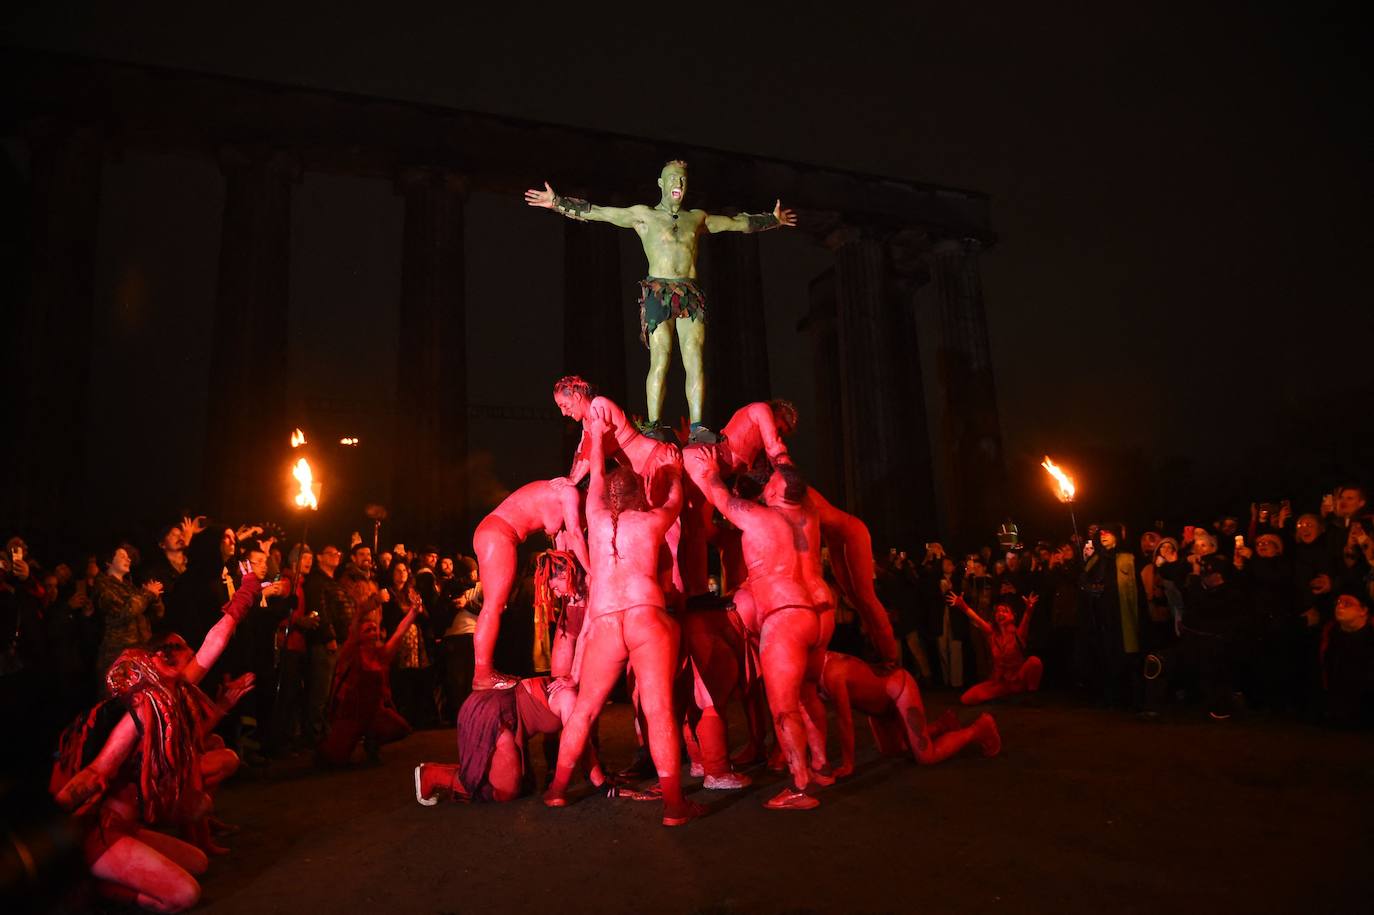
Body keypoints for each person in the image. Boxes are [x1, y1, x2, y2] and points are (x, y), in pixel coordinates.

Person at [527, 162, 796, 441]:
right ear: (661, 183)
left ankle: (698, 427)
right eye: (672, 179)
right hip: (659, 291)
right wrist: (557, 202)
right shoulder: (644, 216)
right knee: (661, 358)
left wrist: (771, 220)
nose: (678, 183)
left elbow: (736, 223)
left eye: (682, 178)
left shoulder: (697, 218)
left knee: (694, 359)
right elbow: (601, 213)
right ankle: (654, 424)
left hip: (689, 291)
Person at [50, 572, 263, 912]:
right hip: (102, 831)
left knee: (197, 863)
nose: (190, 652)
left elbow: (215, 642)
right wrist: (50, 820)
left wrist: (246, 593)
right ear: (159, 658)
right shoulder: (141, 708)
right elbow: (95, 772)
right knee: (184, 895)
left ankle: (113, 872)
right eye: (178, 648)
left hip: (130, 827)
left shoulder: (171, 694)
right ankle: (92, 885)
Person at [542, 405, 703, 826]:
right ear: (636, 495)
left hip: (607, 621)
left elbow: (595, 478)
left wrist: (595, 438)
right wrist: (669, 468)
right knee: (659, 710)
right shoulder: (650, 521)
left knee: (585, 711)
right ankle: (673, 806)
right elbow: (676, 501)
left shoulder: (594, 518)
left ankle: (557, 790)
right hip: (646, 616)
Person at [686, 445, 825, 810]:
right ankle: (820, 765)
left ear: (778, 493)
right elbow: (796, 481)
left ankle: (800, 788)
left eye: (772, 481)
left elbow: (719, 499)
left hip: (784, 619)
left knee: (784, 709)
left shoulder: (763, 518)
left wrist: (711, 471)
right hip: (811, 616)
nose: (766, 484)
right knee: (805, 696)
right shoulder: (807, 517)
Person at [470, 475, 590, 690]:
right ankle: (482, 673)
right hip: (497, 533)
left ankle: (484, 671)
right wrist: (592, 572)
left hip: (496, 533)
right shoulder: (569, 493)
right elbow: (575, 535)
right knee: (493, 606)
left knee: (495, 606)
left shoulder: (562, 493)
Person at [818, 650, 999, 776]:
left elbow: (845, 720)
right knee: (893, 750)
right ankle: (942, 725)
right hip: (877, 708)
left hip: (898, 688)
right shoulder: (807, 676)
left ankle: (979, 728)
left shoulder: (834, 672)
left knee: (926, 756)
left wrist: (848, 764)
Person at [316, 568, 420, 765]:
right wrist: (370, 605)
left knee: (401, 728)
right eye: (368, 629)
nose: (372, 632)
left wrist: (414, 612)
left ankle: (372, 741)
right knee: (331, 759)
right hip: (351, 715)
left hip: (374, 713)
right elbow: (356, 621)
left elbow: (399, 633)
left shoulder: (382, 654)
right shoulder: (350, 651)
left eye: (374, 629)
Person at [946, 592, 1044, 704]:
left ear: (1012, 616)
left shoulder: (1018, 634)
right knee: (967, 699)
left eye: (1005, 611)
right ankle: (1008, 697)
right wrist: (962, 605)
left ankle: (1030, 696)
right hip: (1001, 682)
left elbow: (1026, 620)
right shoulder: (992, 633)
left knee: (1034, 662)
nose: (1000, 613)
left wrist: (1029, 610)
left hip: (1018, 680)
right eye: (998, 611)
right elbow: (977, 619)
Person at [94, 543, 165, 683]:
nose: (128, 559)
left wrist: (155, 599)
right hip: (118, 656)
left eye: (128, 557)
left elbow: (156, 615)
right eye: (122, 556)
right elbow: (125, 613)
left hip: (139, 652)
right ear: (108, 561)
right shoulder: (103, 587)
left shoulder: (130, 587)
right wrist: (146, 594)